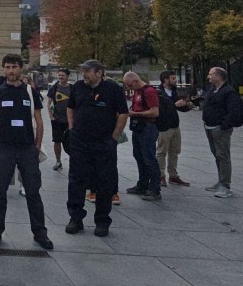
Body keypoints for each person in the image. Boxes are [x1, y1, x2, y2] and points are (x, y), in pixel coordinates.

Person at [0, 54, 52, 250]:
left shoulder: (30, 92)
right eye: (7, 67)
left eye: (14, 67)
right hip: (4, 147)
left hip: (26, 148)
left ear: (21, 68)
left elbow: (39, 121)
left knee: (33, 192)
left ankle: (40, 232)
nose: (10, 71)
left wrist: (37, 146)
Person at [65, 60, 128, 237]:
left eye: (87, 71)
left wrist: (114, 137)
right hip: (80, 141)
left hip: (103, 142)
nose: (84, 74)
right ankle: (75, 218)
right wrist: (71, 128)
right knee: (76, 180)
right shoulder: (78, 87)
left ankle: (102, 221)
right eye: (83, 71)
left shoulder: (113, 89)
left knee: (104, 181)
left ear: (99, 72)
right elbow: (70, 108)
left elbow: (123, 113)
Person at [202, 66, 243, 198]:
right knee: (217, 154)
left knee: (223, 155)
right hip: (209, 126)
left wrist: (224, 125)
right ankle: (220, 181)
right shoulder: (212, 90)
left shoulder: (229, 92)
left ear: (218, 76)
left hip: (220, 128)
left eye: (211, 74)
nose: (208, 77)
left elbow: (233, 111)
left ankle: (225, 185)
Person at [123, 72, 162, 201]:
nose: (128, 88)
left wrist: (135, 114)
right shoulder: (137, 92)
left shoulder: (149, 91)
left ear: (135, 81)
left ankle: (155, 189)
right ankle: (142, 184)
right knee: (139, 156)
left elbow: (155, 112)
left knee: (149, 158)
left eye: (129, 85)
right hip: (138, 127)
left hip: (148, 127)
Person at [156, 71, 191, 187]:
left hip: (175, 125)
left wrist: (187, 105)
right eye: (173, 78)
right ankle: (161, 176)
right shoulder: (158, 93)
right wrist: (174, 105)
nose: (175, 80)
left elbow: (179, 107)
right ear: (165, 80)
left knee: (174, 152)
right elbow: (160, 110)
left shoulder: (175, 91)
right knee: (161, 152)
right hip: (164, 126)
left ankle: (173, 175)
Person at [47, 68, 71, 171]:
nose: (61, 77)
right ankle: (58, 161)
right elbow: (48, 103)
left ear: (67, 76)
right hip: (57, 120)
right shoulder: (54, 88)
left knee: (71, 142)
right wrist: (51, 117)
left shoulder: (72, 88)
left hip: (69, 121)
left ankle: (73, 161)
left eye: (63, 75)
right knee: (57, 141)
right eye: (59, 75)